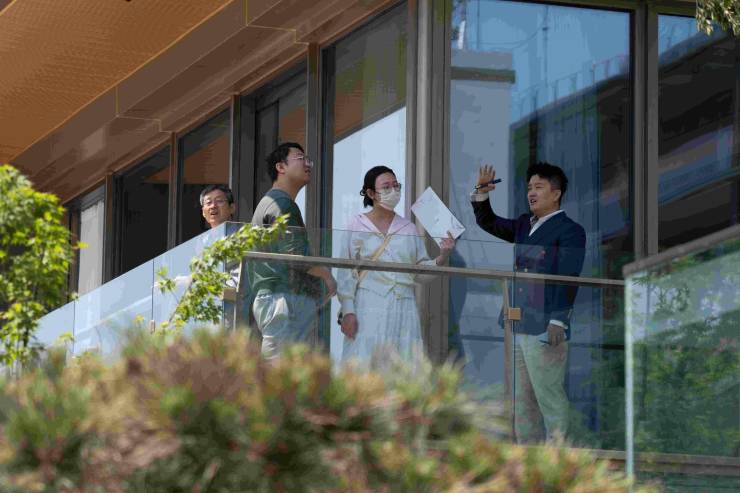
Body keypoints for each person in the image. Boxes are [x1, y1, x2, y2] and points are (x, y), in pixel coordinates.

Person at [470, 162, 585, 443]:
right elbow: (489, 222)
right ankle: (528, 460)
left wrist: (559, 319)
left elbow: (568, 275)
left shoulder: (570, 230)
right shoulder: (524, 224)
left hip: (546, 326)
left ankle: (558, 460)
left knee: (549, 398)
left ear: (556, 193)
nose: (531, 193)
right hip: (518, 324)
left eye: (539, 187)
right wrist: (482, 192)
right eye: (529, 188)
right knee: (521, 401)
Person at [337, 166, 455, 368]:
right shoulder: (356, 225)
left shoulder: (408, 228)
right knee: (364, 364)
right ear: (371, 193)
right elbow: (345, 272)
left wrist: (442, 257)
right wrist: (348, 311)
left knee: (403, 365)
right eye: (386, 187)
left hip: (404, 305)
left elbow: (419, 273)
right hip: (368, 304)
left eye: (396, 185)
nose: (393, 191)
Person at [250, 142, 337, 359]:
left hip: (276, 298)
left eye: (308, 160)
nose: (308, 164)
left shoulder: (272, 202)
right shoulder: (281, 203)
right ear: (281, 167)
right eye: (300, 158)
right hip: (283, 300)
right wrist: (326, 275)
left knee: (285, 369)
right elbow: (295, 255)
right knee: (281, 372)